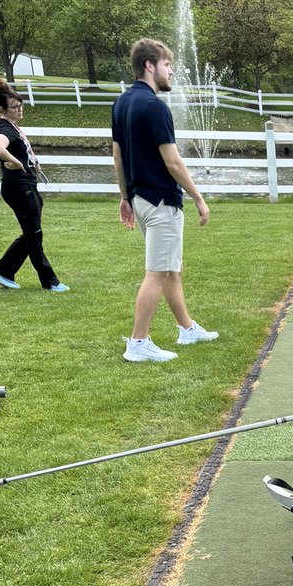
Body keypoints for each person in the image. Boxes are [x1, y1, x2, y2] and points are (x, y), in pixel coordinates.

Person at [111, 38, 217, 363]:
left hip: (141, 199)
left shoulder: (122, 103)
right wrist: (198, 196)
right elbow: (172, 162)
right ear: (149, 66)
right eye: (167, 65)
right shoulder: (154, 106)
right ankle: (138, 342)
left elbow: (117, 155)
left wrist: (125, 196)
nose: (171, 71)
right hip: (160, 201)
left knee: (172, 269)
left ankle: (187, 328)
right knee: (157, 272)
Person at [0, 79, 69, 292]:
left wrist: (30, 163)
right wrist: (18, 163)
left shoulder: (11, 127)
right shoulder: (3, 128)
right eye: (15, 107)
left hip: (25, 185)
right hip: (19, 188)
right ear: (1, 109)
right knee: (34, 235)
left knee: (31, 233)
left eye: (21, 105)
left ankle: (3, 270)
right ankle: (50, 282)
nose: (20, 110)